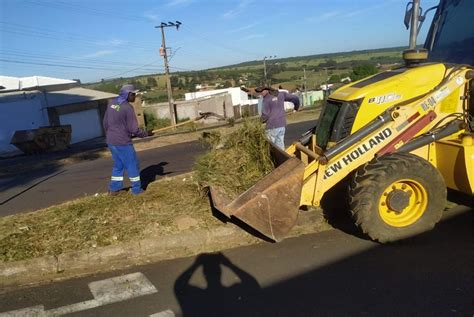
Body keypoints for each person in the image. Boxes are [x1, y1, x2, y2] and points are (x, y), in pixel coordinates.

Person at [103, 84, 150, 195]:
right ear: (128, 94)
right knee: (132, 165)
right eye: (134, 94)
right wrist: (145, 134)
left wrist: (110, 135)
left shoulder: (112, 104)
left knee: (118, 165)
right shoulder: (127, 107)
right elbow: (133, 129)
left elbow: (105, 123)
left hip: (111, 141)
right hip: (123, 142)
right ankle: (136, 190)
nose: (135, 96)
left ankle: (114, 189)